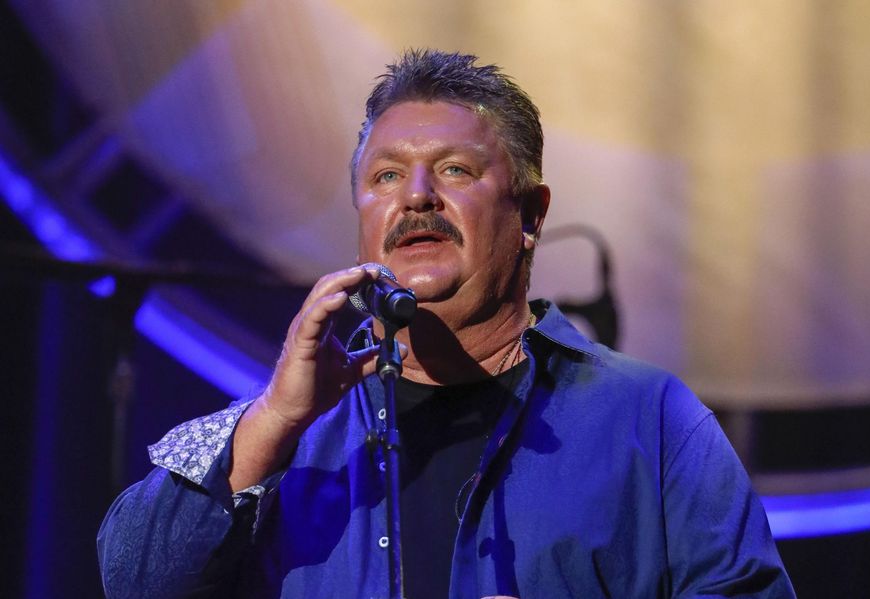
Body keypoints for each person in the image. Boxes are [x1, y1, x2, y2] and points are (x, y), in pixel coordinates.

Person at [98, 49, 795, 598]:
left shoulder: (650, 418)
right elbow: (133, 581)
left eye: (455, 170)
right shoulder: (288, 435)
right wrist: (275, 418)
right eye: (386, 177)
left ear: (531, 215)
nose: (417, 196)